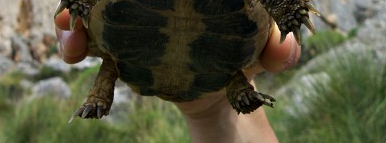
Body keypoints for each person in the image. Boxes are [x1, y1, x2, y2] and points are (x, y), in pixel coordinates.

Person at [55, 9, 301, 143]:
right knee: (111, 60)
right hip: (218, 57)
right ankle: (100, 93)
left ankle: (238, 88)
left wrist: (288, 4)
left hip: (224, 66)